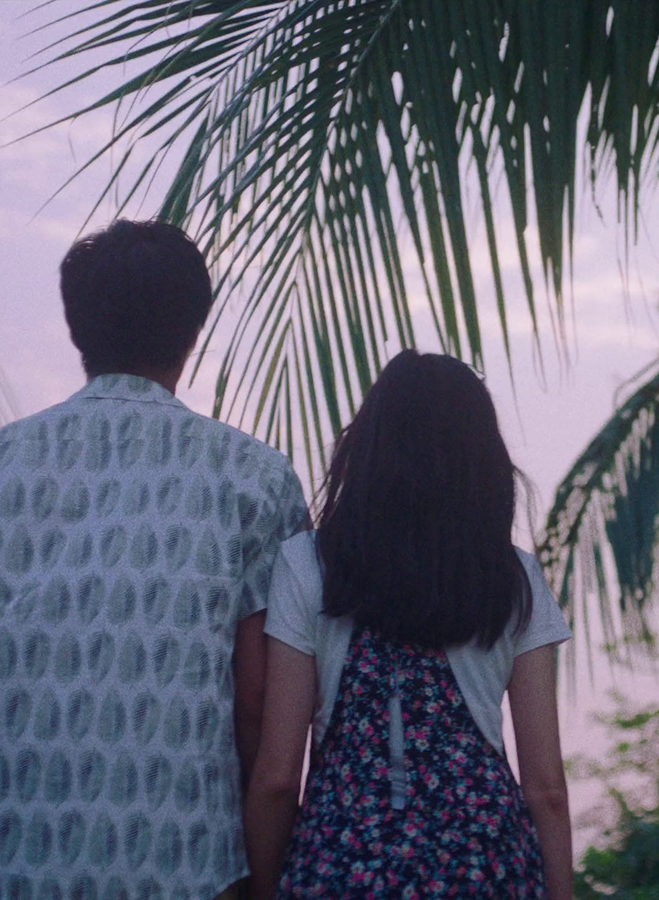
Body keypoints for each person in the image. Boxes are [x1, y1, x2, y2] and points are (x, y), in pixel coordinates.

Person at [0, 220, 308, 900]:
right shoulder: (256, 480)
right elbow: (254, 697)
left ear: (78, 329)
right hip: (181, 863)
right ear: (193, 331)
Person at [245, 350, 574, 900]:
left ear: (367, 449)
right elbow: (548, 789)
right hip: (486, 863)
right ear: (483, 462)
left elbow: (278, 777)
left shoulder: (308, 564)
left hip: (342, 864)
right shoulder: (514, 577)